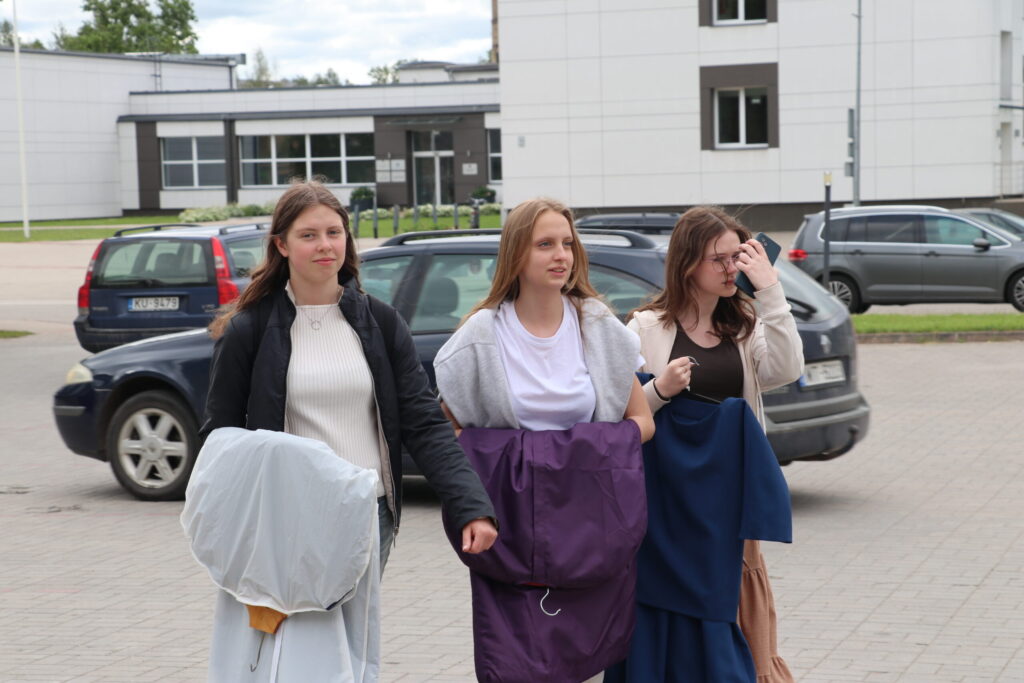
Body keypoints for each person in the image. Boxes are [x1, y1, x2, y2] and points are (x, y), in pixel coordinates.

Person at [201, 179, 498, 571]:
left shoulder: (382, 323)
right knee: (298, 616)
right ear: (282, 245)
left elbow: (424, 423)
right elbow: (221, 438)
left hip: (369, 514)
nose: (325, 245)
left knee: (359, 617)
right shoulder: (249, 331)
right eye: (308, 235)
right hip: (288, 518)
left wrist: (470, 505)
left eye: (334, 232)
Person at [434, 197, 655, 682]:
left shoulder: (598, 327)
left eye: (567, 244)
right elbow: (446, 432)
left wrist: (580, 451)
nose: (561, 256)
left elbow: (641, 421)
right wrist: (522, 459)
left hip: (589, 527)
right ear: (516, 254)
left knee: (584, 663)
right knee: (514, 667)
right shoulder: (482, 336)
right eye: (545, 245)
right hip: (513, 528)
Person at [620, 205, 802, 682]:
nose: (729, 269)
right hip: (665, 504)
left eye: (735, 257)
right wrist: (660, 391)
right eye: (718, 259)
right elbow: (617, 415)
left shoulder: (743, 325)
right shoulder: (644, 328)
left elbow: (787, 368)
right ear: (687, 265)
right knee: (667, 609)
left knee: (735, 611)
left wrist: (770, 290)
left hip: (727, 501)